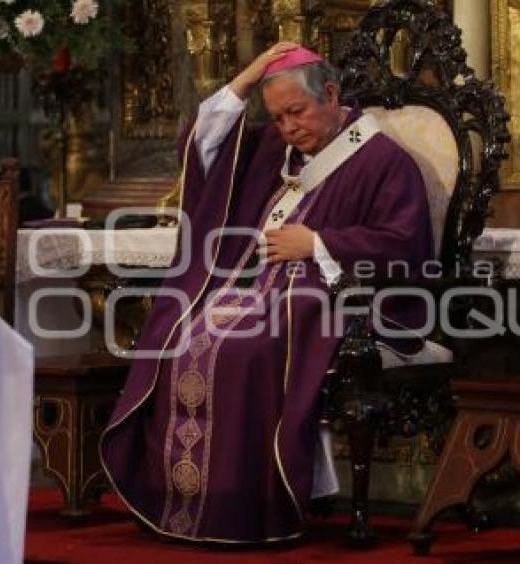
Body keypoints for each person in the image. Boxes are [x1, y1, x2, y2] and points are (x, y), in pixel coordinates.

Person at [100, 43, 433, 543]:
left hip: (330, 298)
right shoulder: (274, 151)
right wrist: (249, 76)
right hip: (249, 288)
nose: (288, 128)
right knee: (175, 331)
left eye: (296, 112)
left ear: (332, 94)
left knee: (242, 348)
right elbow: (204, 143)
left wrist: (318, 242)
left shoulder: (383, 160)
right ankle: (185, 502)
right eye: (277, 117)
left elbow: (405, 244)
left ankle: (252, 508)